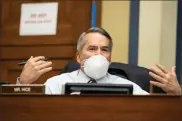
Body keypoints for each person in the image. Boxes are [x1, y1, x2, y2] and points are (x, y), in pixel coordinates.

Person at [17, 27, 181, 95]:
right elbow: (25, 111)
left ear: (110, 58)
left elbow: (157, 112)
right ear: (78, 57)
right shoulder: (55, 84)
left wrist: (176, 94)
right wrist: (22, 84)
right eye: (92, 49)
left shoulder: (129, 87)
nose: (98, 55)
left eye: (104, 50)